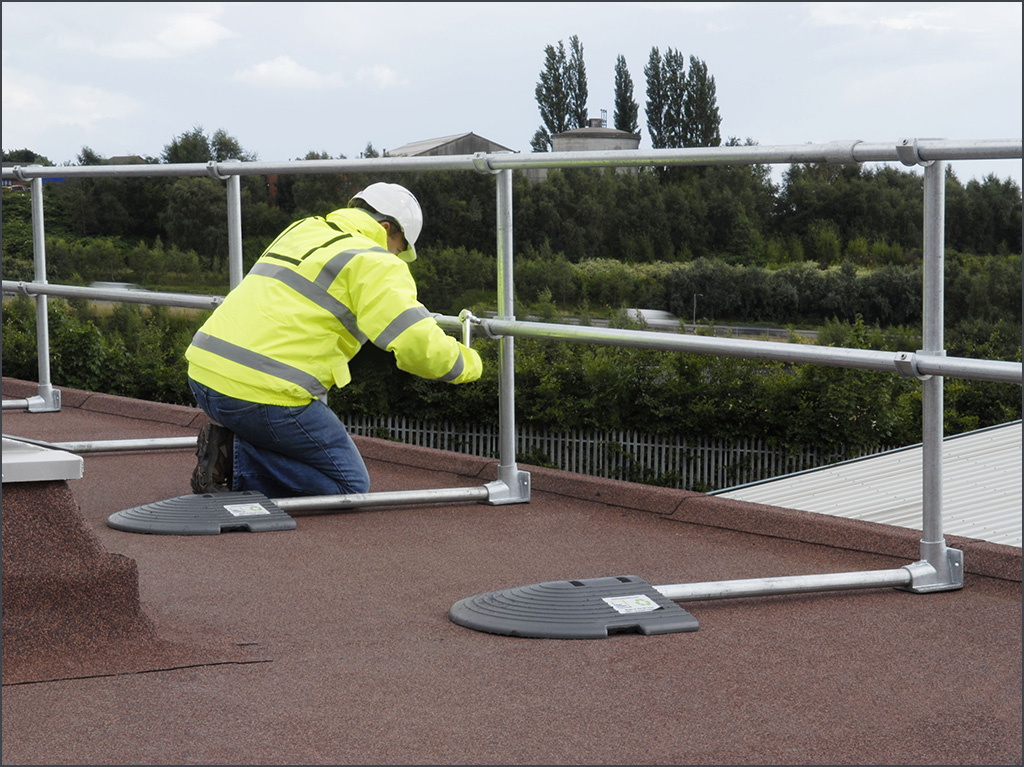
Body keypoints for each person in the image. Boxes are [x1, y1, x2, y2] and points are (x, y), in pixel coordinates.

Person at [185, 182, 483, 498]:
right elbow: (416, 344)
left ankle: (231, 445)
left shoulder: (302, 229)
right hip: (260, 396)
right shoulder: (375, 261)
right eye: (399, 246)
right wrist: (471, 363)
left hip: (203, 376)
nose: (396, 255)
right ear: (385, 228)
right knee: (349, 485)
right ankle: (231, 455)